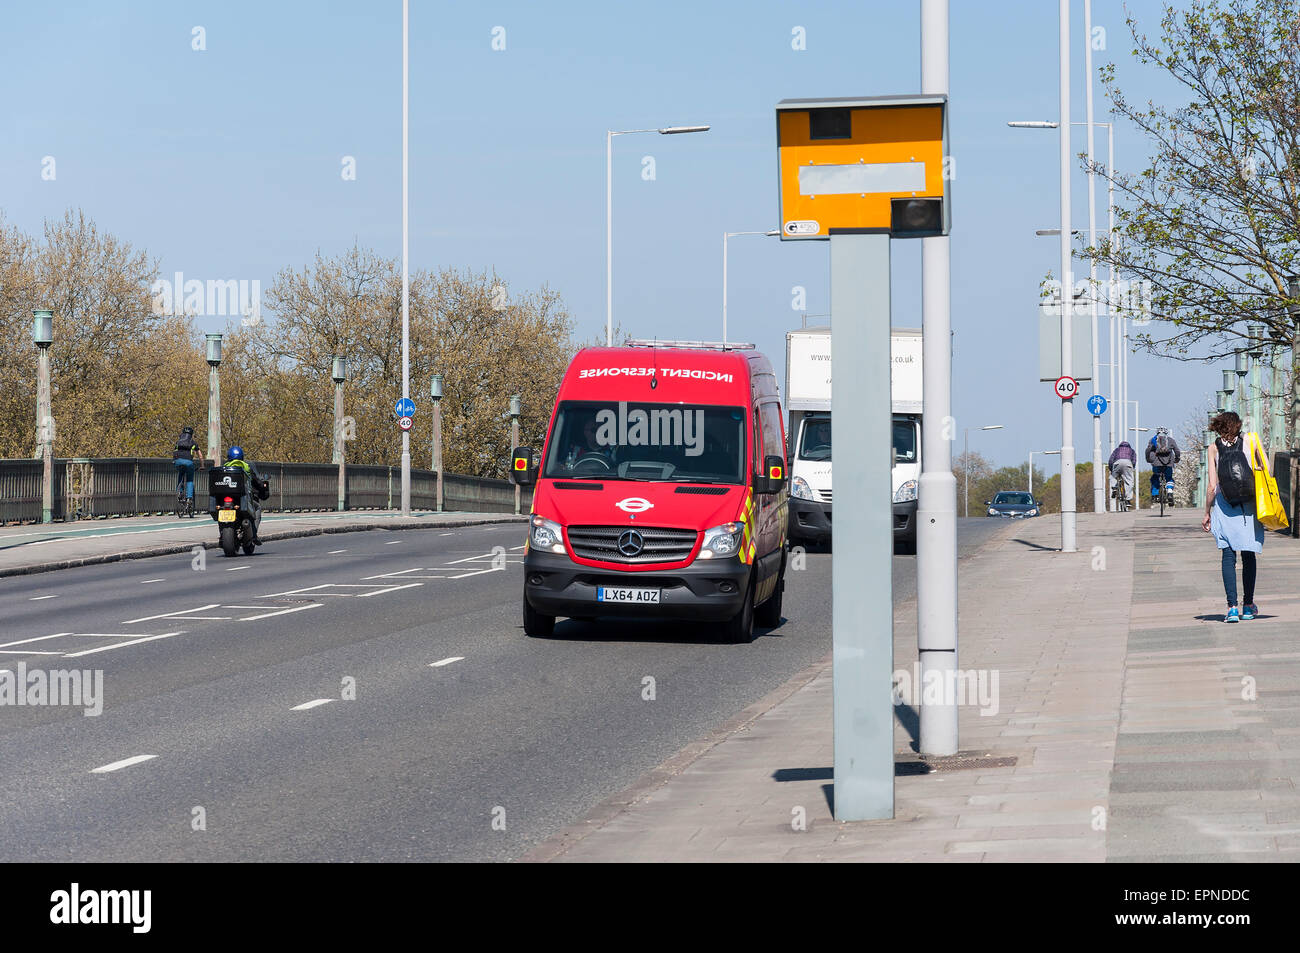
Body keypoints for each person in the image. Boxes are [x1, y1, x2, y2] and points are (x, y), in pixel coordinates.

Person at [1201, 411, 1267, 622]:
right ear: (1238, 425)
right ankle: (1248, 606)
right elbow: (1266, 469)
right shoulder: (1251, 440)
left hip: (1225, 504)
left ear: (1218, 427)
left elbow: (1212, 486)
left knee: (1228, 556)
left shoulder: (1213, 449)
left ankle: (1231, 608)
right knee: (1248, 554)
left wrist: (1207, 512)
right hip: (1248, 505)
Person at [217, 445, 269, 543]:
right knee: (257, 508)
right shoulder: (246, 466)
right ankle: (254, 535)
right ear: (241, 456)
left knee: (221, 511)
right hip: (242, 498)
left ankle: (221, 536)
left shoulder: (225, 467)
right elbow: (256, 481)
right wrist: (262, 486)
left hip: (225, 497)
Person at [1146, 428, 1181, 502]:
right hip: (1169, 463)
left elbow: (1148, 450)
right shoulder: (1170, 440)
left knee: (1155, 477)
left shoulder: (1152, 440)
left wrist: (1148, 459)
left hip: (1156, 463)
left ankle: (1155, 495)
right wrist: (1177, 458)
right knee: (1169, 478)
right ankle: (1170, 492)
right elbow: (1177, 450)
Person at [172, 426, 202, 506]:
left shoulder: (178, 442)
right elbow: (200, 456)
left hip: (177, 461)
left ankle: (179, 492)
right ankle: (189, 498)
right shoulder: (193, 443)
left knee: (181, 475)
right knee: (189, 480)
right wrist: (202, 465)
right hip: (189, 463)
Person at [1107, 440, 1136, 506]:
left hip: (1117, 463)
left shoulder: (1116, 450)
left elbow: (1111, 460)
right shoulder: (1132, 451)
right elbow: (1134, 460)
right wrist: (1132, 468)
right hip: (1128, 463)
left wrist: (1111, 469)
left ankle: (1114, 487)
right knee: (1129, 481)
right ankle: (1128, 500)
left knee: (1113, 477)